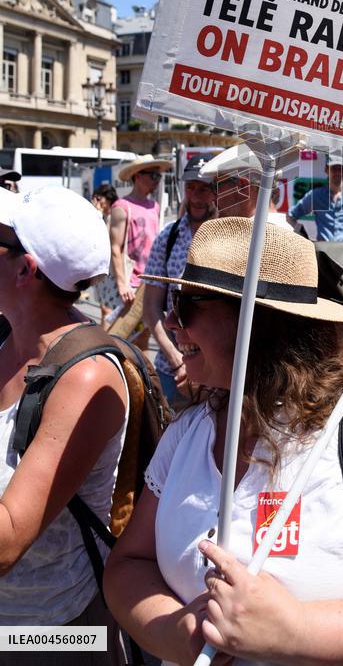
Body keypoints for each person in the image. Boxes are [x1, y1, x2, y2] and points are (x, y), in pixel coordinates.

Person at [104, 218, 343, 666]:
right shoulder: (188, 433)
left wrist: (296, 630)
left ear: (256, 322)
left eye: (188, 305)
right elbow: (128, 566)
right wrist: (174, 630)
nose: (171, 323)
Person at [0, 186, 128, 662]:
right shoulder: (7, 335)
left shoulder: (86, 376)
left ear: (24, 269)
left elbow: (8, 540)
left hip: (51, 633)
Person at [143, 156, 217, 404]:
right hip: (171, 370)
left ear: (217, 191)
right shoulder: (168, 236)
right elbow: (151, 308)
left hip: (217, 372)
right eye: (191, 187)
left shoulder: (229, 238)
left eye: (204, 188)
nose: (196, 196)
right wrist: (176, 360)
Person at [110, 154, 171, 308]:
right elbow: (115, 248)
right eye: (153, 175)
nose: (157, 180)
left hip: (152, 280)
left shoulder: (155, 206)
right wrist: (122, 284)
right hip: (131, 284)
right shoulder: (122, 207)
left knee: (146, 330)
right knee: (123, 331)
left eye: (159, 176)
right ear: (137, 176)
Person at [200, 143, 292, 228]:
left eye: (216, 187)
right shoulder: (284, 232)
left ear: (242, 186)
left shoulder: (252, 239)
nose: (212, 197)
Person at [289, 155, 343, 242]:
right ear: (326, 170)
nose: (338, 173)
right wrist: (301, 238)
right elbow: (291, 215)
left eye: (341, 169)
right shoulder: (316, 195)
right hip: (323, 251)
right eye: (334, 169)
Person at [92, 182, 120, 328]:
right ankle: (105, 338)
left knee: (109, 311)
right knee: (104, 309)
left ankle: (107, 341)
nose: (96, 201)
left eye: (98, 198)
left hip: (111, 270)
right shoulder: (102, 216)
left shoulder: (113, 216)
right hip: (103, 269)